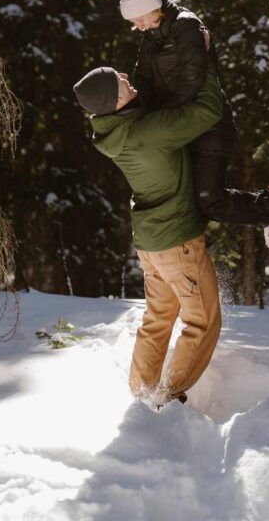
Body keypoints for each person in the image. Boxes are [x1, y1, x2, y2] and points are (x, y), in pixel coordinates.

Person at [73, 64, 224, 408]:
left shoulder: (116, 131)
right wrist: (208, 68)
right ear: (114, 100)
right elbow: (208, 111)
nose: (126, 77)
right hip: (177, 242)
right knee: (203, 321)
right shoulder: (146, 132)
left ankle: (141, 395)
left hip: (152, 244)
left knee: (158, 318)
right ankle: (167, 399)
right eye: (119, 81)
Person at [118, 0, 269, 250]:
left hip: (208, 126)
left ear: (152, 6)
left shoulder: (187, 26)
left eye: (138, 17)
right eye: (133, 21)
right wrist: (132, 105)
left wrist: (164, 120)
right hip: (179, 128)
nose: (136, 25)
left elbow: (193, 79)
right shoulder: (150, 36)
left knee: (208, 199)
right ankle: (267, 214)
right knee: (191, 202)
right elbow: (143, 79)